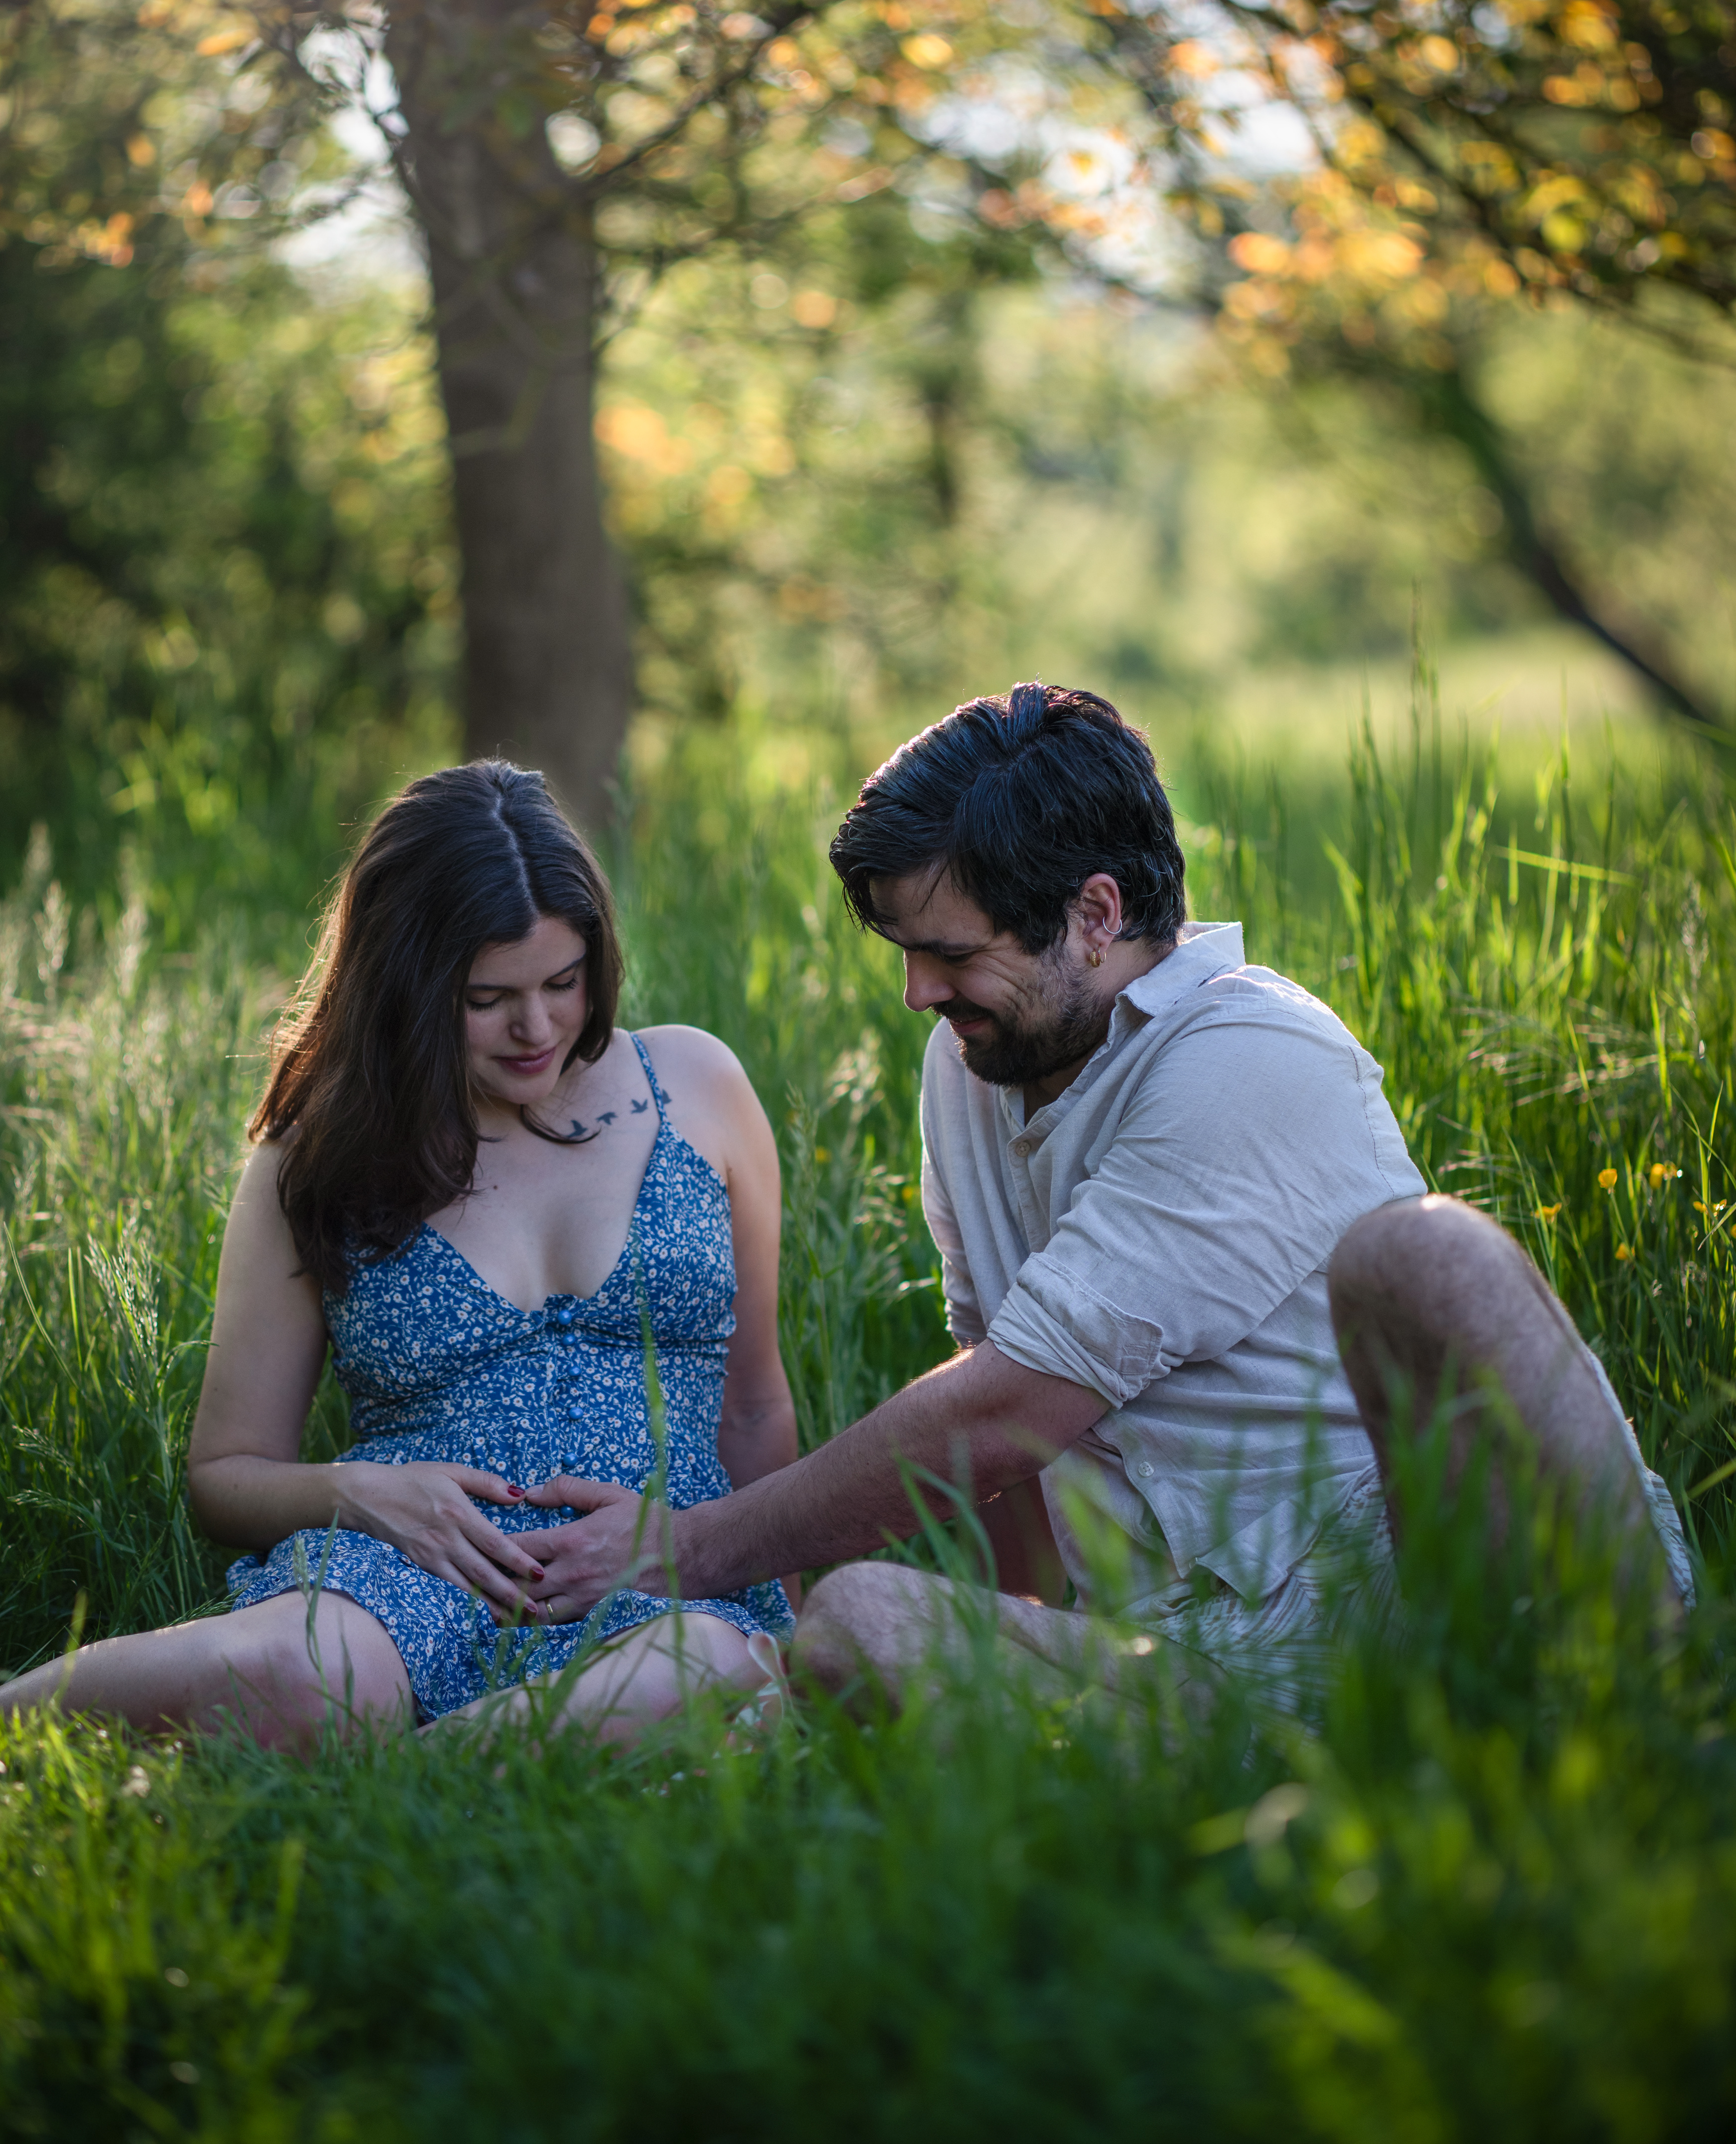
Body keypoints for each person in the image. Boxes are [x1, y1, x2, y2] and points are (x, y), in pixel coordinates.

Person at [518, 685, 1693, 1710]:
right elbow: (1005, 1431)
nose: (920, 993)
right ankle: (1292, 1782)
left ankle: (1631, 1701)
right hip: (1215, 1668)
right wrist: (1010, 1633)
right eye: (903, 952)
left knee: (1427, 1256)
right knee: (863, 1626)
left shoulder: (1250, 1058)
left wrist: (682, 1547)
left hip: (1434, 1587)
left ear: (1094, 915)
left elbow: (1010, 1407)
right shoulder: (975, 1064)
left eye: (953, 953)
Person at [0, 763, 794, 1781]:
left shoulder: (694, 1084)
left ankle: (398, 1792)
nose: (539, 1028)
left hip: (666, 1574)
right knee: (298, 1677)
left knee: (696, 1670)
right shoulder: (319, 1151)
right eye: (488, 998)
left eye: (564, 984)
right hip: (401, 1578)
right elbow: (226, 1476)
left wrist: (795, 1626)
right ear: (409, 986)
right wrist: (372, 1496)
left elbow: (755, 1410)